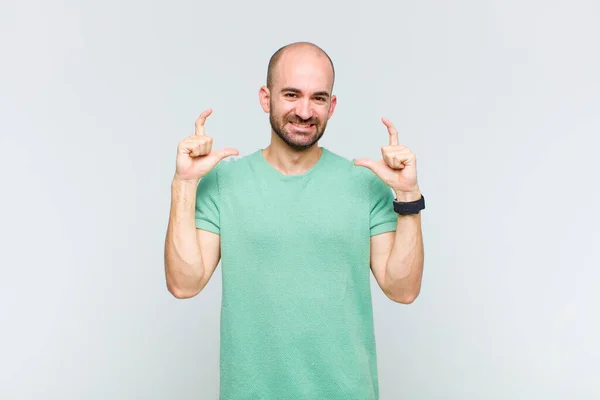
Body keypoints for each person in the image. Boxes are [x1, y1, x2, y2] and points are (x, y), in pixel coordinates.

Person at [164, 41, 425, 400]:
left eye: (318, 98)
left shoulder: (365, 183)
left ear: (332, 106)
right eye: (291, 94)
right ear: (265, 98)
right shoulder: (224, 183)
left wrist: (408, 196)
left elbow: (403, 289)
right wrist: (185, 184)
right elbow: (184, 283)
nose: (305, 111)